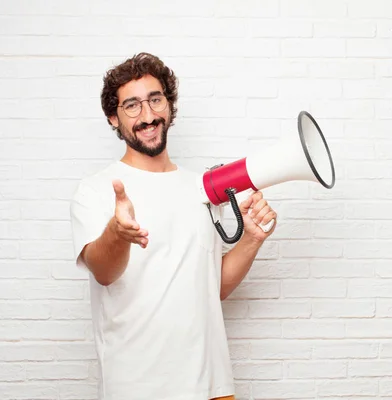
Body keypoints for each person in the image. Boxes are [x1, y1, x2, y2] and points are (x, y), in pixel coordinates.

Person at [69, 52, 277, 400]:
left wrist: (252, 239)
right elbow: (104, 272)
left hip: (212, 384)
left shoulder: (204, 189)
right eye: (132, 105)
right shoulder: (94, 190)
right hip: (139, 388)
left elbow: (213, 288)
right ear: (113, 118)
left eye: (155, 99)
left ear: (169, 106)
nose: (148, 116)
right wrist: (117, 234)